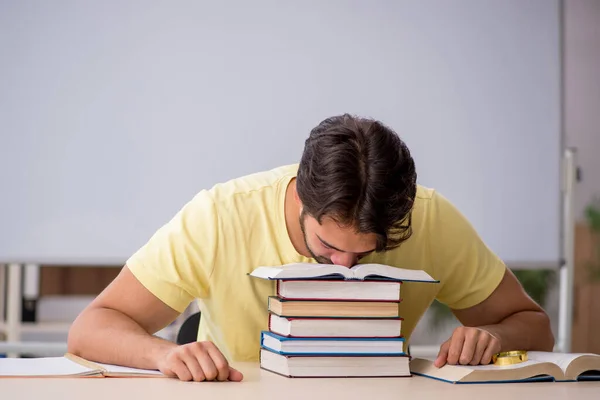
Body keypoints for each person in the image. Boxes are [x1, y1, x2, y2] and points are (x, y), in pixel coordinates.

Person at [67, 114, 554, 382]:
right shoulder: (219, 216)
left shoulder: (432, 218)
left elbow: (534, 326)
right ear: (299, 193)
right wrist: (161, 355)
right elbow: (91, 328)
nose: (344, 267)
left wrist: (496, 338)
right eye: (327, 245)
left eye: (366, 255)